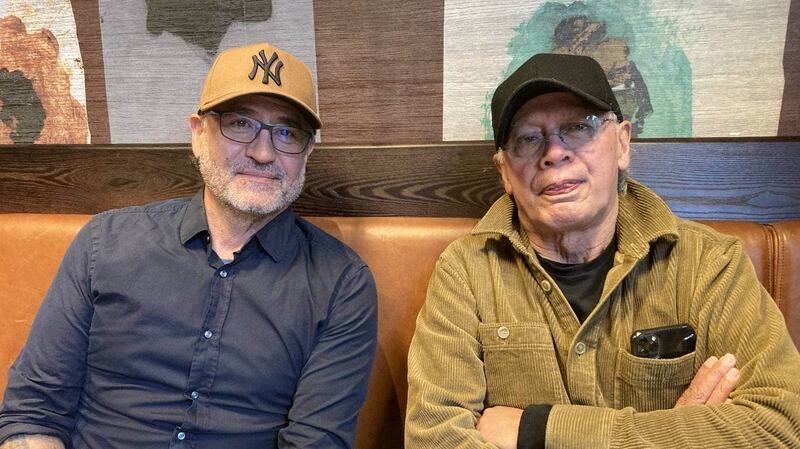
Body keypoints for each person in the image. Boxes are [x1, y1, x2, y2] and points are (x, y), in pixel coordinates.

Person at [405, 53, 800, 448]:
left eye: (578, 127)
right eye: (528, 138)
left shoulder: (709, 263)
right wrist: (676, 432)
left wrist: (538, 430)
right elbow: (433, 440)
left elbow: (781, 425)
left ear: (623, 143)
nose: (554, 152)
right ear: (505, 171)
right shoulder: (465, 271)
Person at [0, 42, 377, 449]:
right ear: (198, 133)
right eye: (240, 124)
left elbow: (314, 443)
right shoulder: (103, 244)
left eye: (287, 132)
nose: (264, 152)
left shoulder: (341, 284)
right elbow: (35, 412)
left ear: (308, 153)